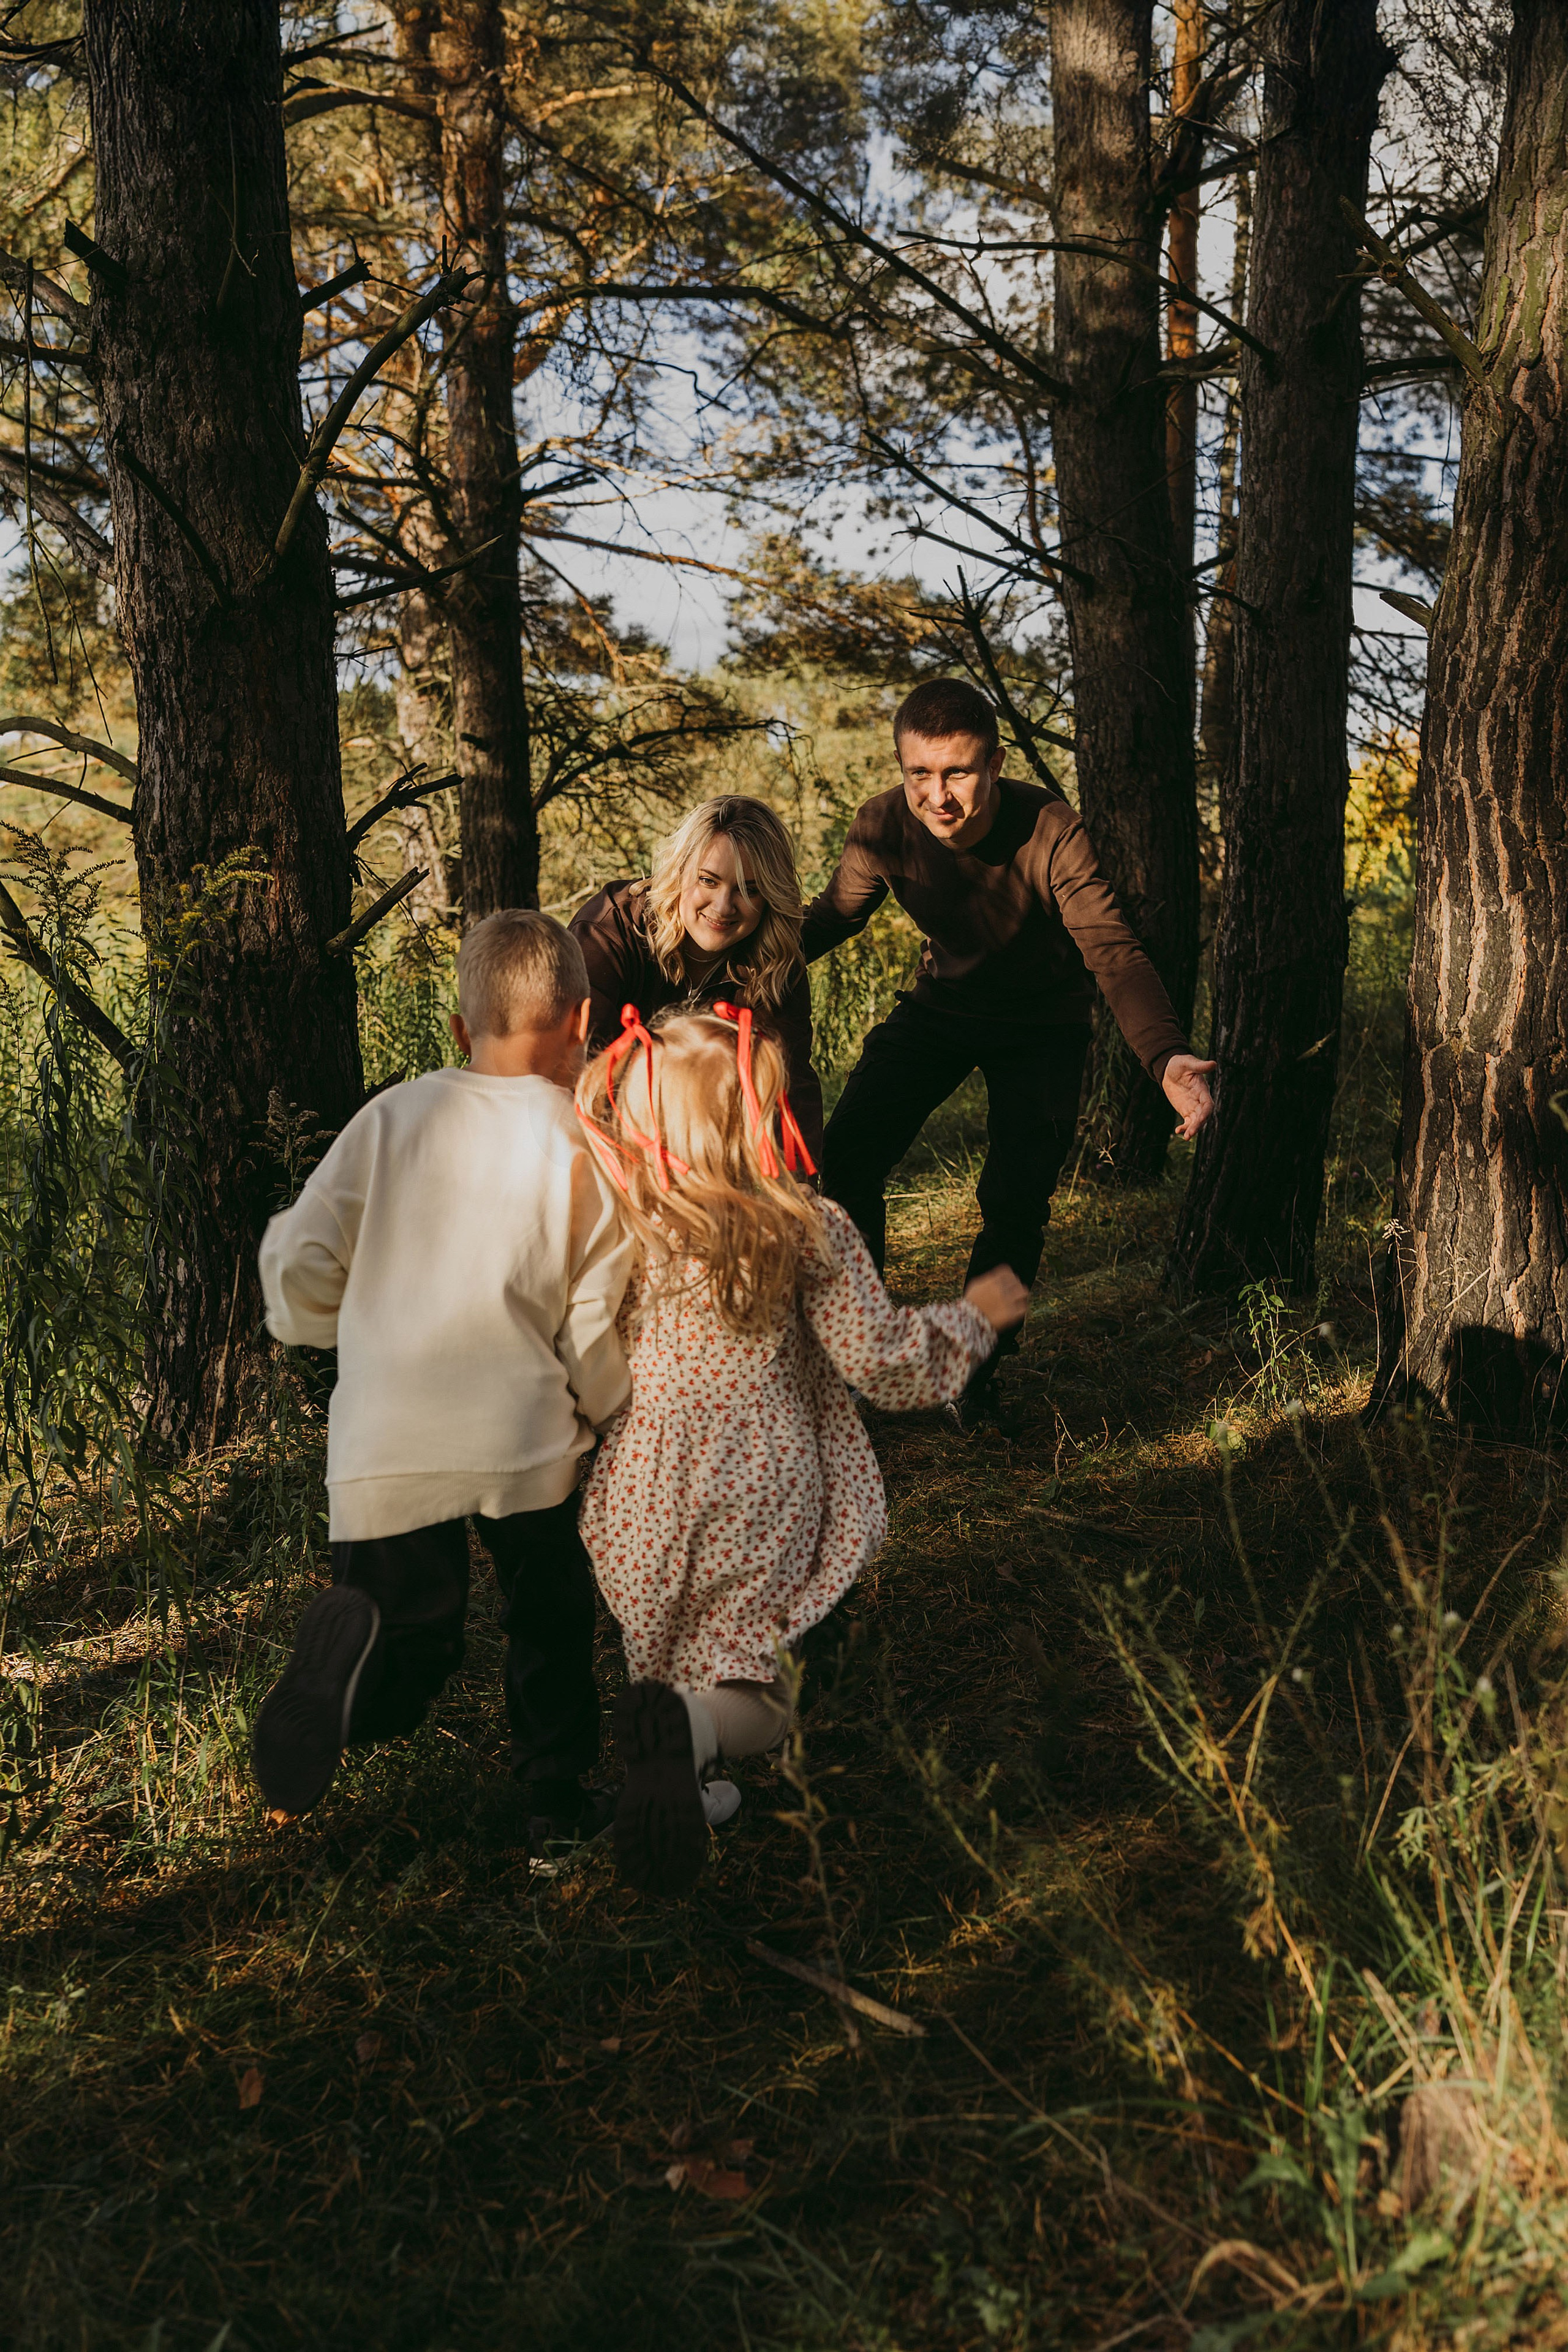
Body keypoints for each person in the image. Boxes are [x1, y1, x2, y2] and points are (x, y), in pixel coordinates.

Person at [573, 1001, 1027, 1895]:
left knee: (663, 1646)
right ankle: (696, 1740)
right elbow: (881, 1362)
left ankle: (677, 1771)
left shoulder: (621, 1225)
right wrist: (972, 1322)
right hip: (760, 1484)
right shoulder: (803, 1227)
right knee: (762, 1694)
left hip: (644, 1484)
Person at [252, 910, 633, 1847]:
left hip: (387, 1439)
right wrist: (609, 1410)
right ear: (584, 1023)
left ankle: (349, 1700)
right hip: (525, 1440)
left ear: (460, 1031)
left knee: (412, 1637)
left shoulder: (390, 1117)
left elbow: (299, 1258)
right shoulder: (587, 1145)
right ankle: (555, 1796)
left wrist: (323, 1330)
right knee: (547, 1615)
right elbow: (589, 1320)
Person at [802, 677, 1216, 1418]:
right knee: (846, 1158)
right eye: (919, 774)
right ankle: (860, 1353)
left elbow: (1113, 952)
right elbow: (828, 921)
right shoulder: (881, 825)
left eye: (957, 772)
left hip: (1042, 1027)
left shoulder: (1050, 827)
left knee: (1015, 1202)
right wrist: (714, 960)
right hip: (942, 1009)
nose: (939, 797)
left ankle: (973, 1371)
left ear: (993, 764)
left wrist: (1165, 1057)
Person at [570, 794, 826, 1168]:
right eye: (709, 880)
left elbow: (788, 1089)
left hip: (705, 1149)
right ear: (680, 871)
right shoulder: (612, 927)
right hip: (594, 1136)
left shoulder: (777, 960)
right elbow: (575, 1060)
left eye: (749, 889)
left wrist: (801, 1190)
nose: (723, 907)